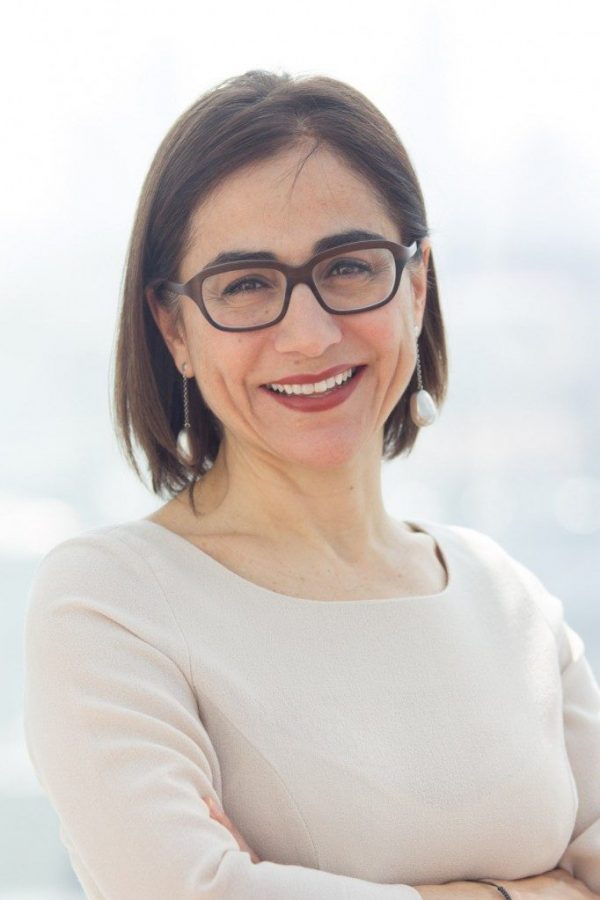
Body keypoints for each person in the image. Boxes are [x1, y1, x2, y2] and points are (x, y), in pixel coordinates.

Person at [24, 70, 600, 900]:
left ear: (417, 288)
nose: (309, 334)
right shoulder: (111, 602)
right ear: (174, 327)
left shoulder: (509, 601)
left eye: (349, 267)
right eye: (246, 284)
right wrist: (529, 890)